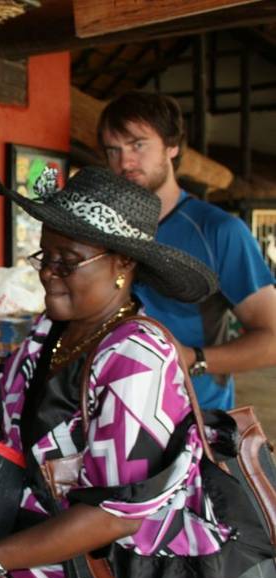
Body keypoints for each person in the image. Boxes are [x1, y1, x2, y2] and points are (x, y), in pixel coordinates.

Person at [0, 166, 271, 578]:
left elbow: (113, 515)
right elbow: (13, 416)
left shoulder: (136, 359)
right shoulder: (51, 332)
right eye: (45, 255)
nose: (48, 273)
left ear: (122, 265)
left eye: (67, 261)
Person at [97, 91, 276, 410]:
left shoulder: (218, 231)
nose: (124, 162)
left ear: (172, 146)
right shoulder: (100, 229)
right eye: (114, 150)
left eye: (138, 145)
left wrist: (193, 359)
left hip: (192, 417)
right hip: (110, 409)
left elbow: (272, 338)